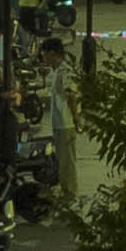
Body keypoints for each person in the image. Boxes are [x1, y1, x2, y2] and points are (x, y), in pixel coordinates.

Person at [35, 37, 79, 198]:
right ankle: (65, 189)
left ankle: (70, 192)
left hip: (65, 122)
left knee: (67, 162)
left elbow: (70, 94)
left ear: (52, 54)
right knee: (61, 160)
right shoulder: (56, 70)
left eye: (45, 55)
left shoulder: (65, 70)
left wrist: (76, 118)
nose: (44, 59)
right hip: (59, 123)